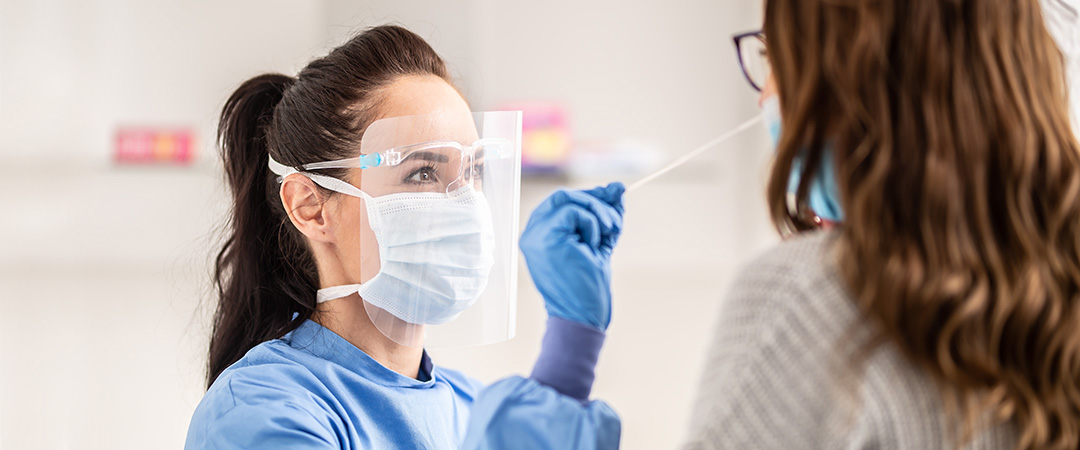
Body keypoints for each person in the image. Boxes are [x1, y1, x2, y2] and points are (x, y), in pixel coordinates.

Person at [525, 0, 1080, 449]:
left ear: (866, 75)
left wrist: (564, 363)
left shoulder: (808, 296)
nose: (766, 97)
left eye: (781, 59)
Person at [184, 25, 621, 449]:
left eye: (473, 171)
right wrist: (560, 373)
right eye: (423, 172)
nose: (465, 203)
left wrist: (573, 344)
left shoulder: (469, 406)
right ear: (310, 207)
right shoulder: (262, 411)